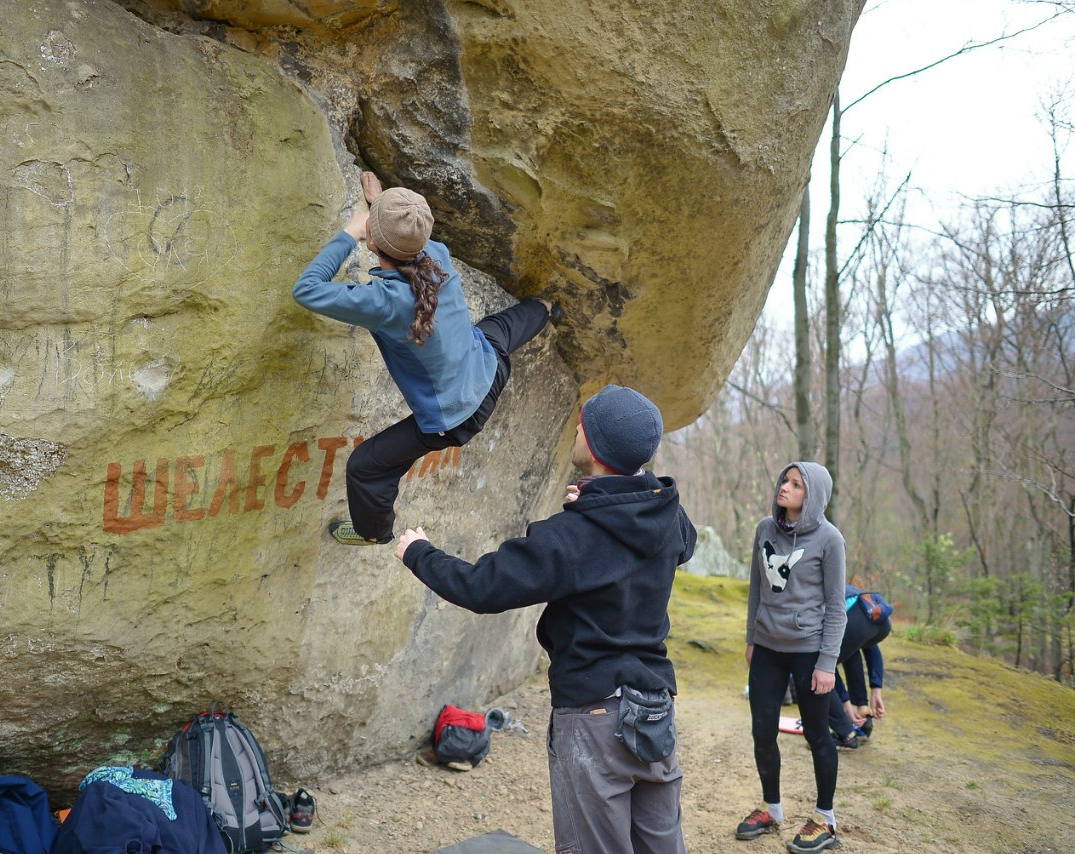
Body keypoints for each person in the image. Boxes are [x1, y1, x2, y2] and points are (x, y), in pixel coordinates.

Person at [394, 384, 697, 854]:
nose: (576, 429)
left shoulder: (573, 536)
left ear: (594, 448)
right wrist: (604, 498)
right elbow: (680, 540)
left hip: (595, 716)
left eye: (583, 425)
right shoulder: (667, 515)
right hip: (655, 706)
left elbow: (483, 587)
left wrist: (418, 552)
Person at [293, 172, 555, 546]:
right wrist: (380, 206)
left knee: (366, 467)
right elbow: (405, 240)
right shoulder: (437, 253)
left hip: (456, 418)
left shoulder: (383, 303)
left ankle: (372, 533)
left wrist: (352, 232)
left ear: (373, 241)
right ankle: (545, 309)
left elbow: (307, 289)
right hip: (487, 366)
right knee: (500, 329)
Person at [738, 463, 846, 853]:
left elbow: (837, 607)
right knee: (762, 732)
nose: (785, 487)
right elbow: (756, 588)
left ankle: (825, 820)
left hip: (809, 651)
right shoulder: (765, 529)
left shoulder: (830, 540)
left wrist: (827, 663)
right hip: (767, 647)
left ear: (812, 495)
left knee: (818, 736)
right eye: (786, 480)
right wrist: (752, 637)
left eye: (796, 485)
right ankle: (772, 809)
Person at [827, 584, 892, 748]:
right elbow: (871, 646)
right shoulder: (843, 587)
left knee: (818, 666)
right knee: (852, 651)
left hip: (855, 621)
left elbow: (826, 665)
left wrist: (845, 704)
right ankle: (863, 718)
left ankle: (845, 734)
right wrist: (876, 688)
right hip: (881, 620)